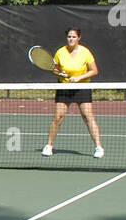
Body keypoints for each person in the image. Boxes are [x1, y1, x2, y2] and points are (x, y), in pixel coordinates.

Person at [42, 28, 104, 158]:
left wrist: (78, 78)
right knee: (58, 117)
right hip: (64, 88)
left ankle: (98, 147)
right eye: (69, 37)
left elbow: (94, 70)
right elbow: (54, 68)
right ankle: (49, 146)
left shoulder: (85, 52)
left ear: (79, 38)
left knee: (87, 116)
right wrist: (60, 73)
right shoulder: (60, 52)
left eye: (74, 37)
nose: (71, 39)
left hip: (82, 87)